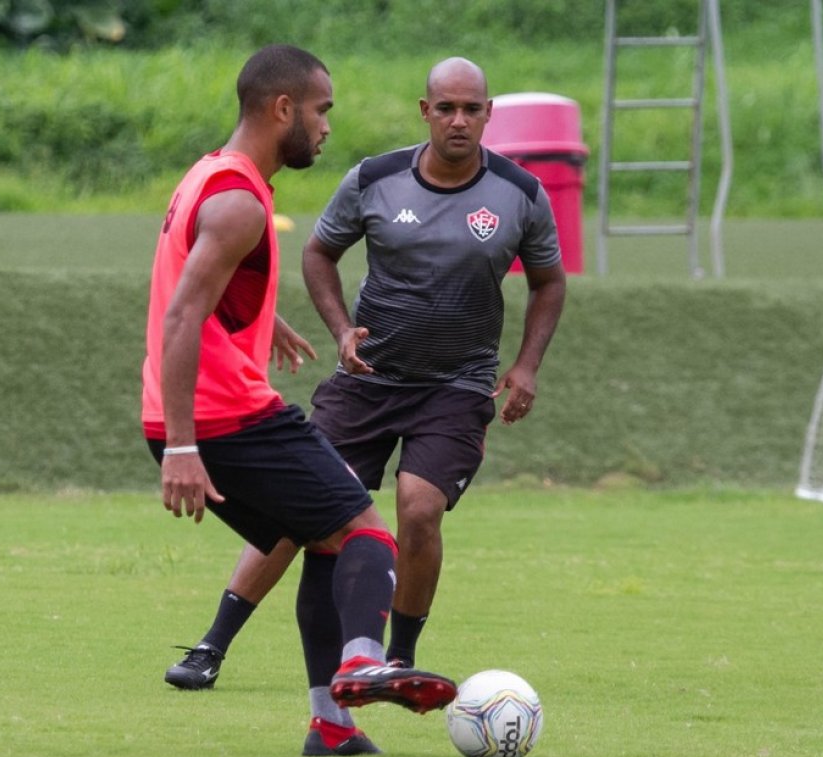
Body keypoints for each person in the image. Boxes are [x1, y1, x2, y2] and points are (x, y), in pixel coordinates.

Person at [165, 56, 566, 690]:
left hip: (457, 385)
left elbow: (549, 282)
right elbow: (319, 252)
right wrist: (340, 329)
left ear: (488, 113)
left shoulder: (521, 193)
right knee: (306, 506)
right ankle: (213, 644)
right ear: (425, 111)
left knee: (419, 509)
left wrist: (527, 365)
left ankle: (397, 659)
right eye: (446, 108)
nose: (458, 120)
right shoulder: (374, 179)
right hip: (368, 378)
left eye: (471, 109)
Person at [142, 44, 458, 757]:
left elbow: (189, 280)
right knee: (370, 534)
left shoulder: (207, 176)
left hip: (186, 416)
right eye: (321, 111)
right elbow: (181, 315)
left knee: (327, 541)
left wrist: (262, 317)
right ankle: (362, 663)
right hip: (227, 417)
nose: (326, 127)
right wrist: (185, 446)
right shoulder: (238, 202)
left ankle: (332, 727)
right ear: (282, 108)